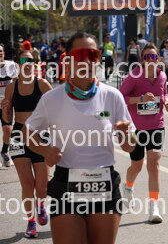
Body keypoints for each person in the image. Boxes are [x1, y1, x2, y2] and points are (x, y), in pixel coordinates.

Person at [25, 32, 136, 244]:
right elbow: (28, 132)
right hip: (66, 183)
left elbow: (130, 146)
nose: (87, 61)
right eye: (80, 55)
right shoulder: (52, 99)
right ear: (68, 60)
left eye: (93, 55)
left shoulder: (112, 96)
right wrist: (45, 150)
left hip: (104, 183)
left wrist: (126, 134)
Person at [2, 50, 53, 238]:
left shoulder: (43, 84)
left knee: (42, 187)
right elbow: (8, 117)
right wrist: (5, 110)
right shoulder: (11, 87)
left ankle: (40, 205)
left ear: (35, 63)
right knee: (27, 184)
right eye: (23, 60)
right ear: (18, 64)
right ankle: (31, 222)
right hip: (18, 135)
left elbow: (57, 108)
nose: (27, 63)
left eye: (31, 60)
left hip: (40, 135)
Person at [119, 43, 168, 222]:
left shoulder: (162, 76)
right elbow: (121, 97)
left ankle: (153, 206)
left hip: (157, 125)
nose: (150, 60)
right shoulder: (134, 76)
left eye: (153, 57)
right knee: (137, 166)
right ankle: (128, 188)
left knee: (154, 164)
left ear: (158, 59)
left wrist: (167, 102)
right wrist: (140, 99)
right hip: (136, 128)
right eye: (147, 57)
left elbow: (164, 93)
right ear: (142, 60)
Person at [0, 44, 19, 167]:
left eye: (0, 51)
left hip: (6, 104)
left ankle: (4, 151)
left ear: (4, 53)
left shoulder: (11, 65)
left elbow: (16, 83)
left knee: (8, 129)